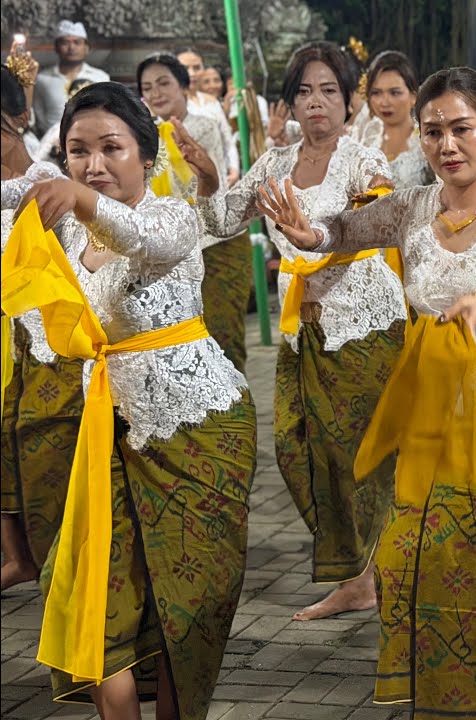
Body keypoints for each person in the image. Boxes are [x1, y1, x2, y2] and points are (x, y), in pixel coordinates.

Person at [258, 64, 476, 720]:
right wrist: (310, 236)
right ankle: (441, 703)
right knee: (410, 561)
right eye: (433, 132)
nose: (446, 145)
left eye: (461, 129)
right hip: (438, 414)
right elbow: (345, 232)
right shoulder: (411, 207)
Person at [2, 80, 254, 720]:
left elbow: (151, 243)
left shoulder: (170, 215)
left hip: (198, 431)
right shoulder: (59, 234)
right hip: (106, 433)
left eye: (111, 147)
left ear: (147, 155)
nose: (93, 164)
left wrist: (83, 199)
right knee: (89, 593)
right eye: (78, 151)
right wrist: (59, 201)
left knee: (185, 600)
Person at [183, 40, 406, 622]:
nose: (315, 103)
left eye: (328, 90)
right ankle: (359, 571)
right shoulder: (276, 165)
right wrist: (208, 179)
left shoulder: (364, 162)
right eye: (304, 91)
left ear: (348, 101)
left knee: (363, 456)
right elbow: (221, 219)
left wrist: (319, 236)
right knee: (296, 448)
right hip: (301, 334)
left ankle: (377, 575)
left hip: (363, 327)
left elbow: (375, 219)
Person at [0, 66, 83, 593]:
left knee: (44, 459)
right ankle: (20, 557)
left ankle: (59, 571)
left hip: (49, 348)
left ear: (21, 117)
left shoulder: (47, 188)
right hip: (10, 348)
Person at [136, 53, 253, 373]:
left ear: (184, 86)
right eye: (147, 87)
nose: (156, 93)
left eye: (164, 83)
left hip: (215, 244)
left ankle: (236, 413)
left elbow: (207, 186)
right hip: (170, 253)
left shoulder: (205, 126)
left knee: (223, 338)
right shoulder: (141, 139)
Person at [362, 50, 431, 189]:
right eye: (376, 93)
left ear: (413, 97)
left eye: (394, 93)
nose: (384, 102)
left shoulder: (427, 140)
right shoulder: (364, 139)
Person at [30, 20, 109, 137]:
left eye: (77, 42)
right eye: (65, 43)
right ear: (56, 47)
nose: (71, 47)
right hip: (51, 145)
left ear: (86, 48)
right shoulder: (43, 79)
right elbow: (39, 116)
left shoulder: (100, 78)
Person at [175, 47, 240, 184]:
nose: (191, 73)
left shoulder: (213, 102)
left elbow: (227, 140)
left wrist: (234, 168)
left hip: (220, 177)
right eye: (185, 68)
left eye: (197, 67)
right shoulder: (172, 105)